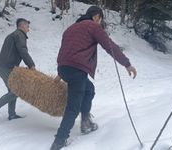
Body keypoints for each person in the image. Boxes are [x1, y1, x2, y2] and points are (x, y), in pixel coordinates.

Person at [50, 6, 137, 150]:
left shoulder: (70, 29)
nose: (100, 22)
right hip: (77, 69)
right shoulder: (93, 27)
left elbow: (67, 52)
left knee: (89, 90)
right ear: (96, 17)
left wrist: (61, 74)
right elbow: (110, 46)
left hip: (64, 68)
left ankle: (85, 122)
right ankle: (59, 140)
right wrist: (127, 64)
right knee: (73, 106)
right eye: (100, 19)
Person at [0, 18, 35, 121]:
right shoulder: (19, 35)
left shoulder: (12, 35)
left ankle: (12, 114)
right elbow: (22, 51)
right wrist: (31, 65)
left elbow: (3, 52)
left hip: (4, 67)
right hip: (7, 67)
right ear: (22, 26)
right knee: (18, 90)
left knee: (13, 90)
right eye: (27, 26)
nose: (28, 29)